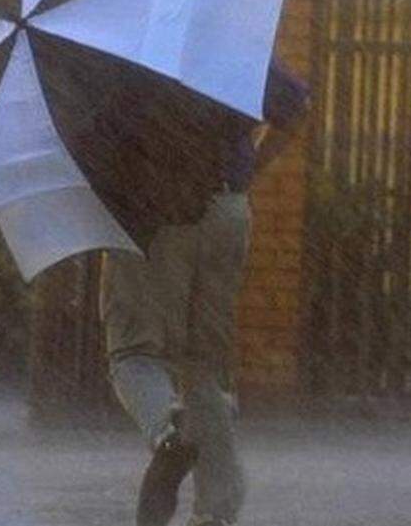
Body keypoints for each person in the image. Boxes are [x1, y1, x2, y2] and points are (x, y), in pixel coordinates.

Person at [101, 58, 311, 526]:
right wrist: (248, 171)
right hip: (226, 206)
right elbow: (295, 106)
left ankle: (168, 433)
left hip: (153, 210)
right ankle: (217, 509)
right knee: (205, 363)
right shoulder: (226, 40)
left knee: (135, 349)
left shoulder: (124, 47)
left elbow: (93, 139)